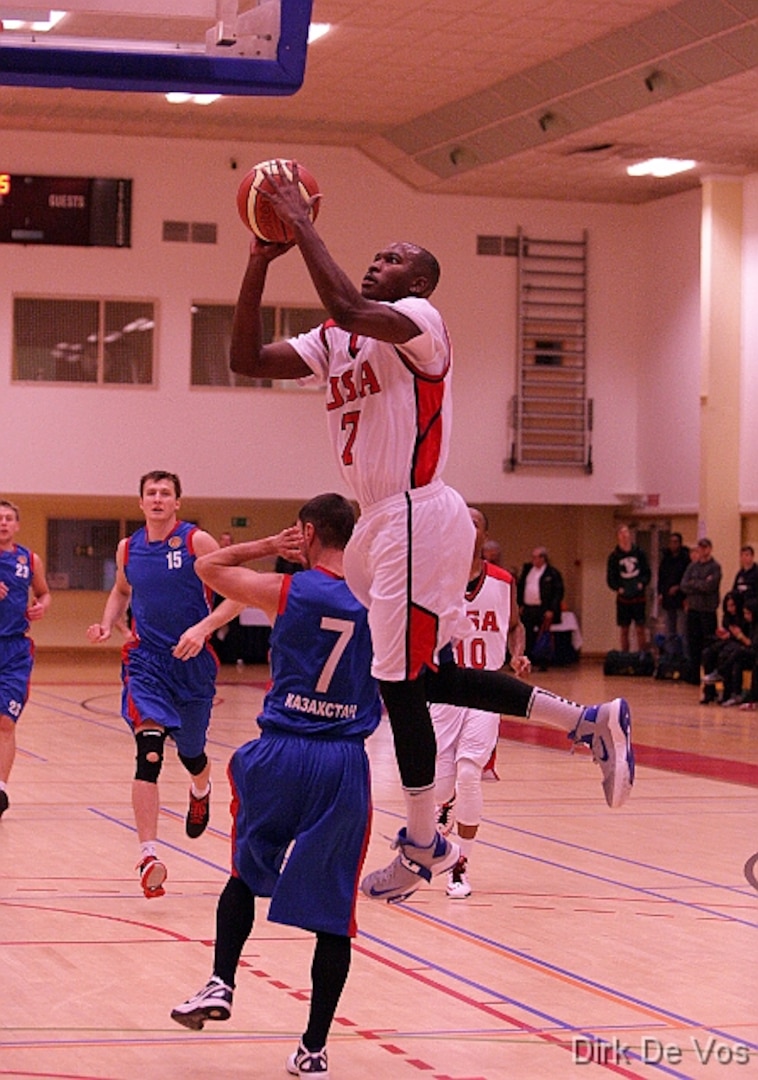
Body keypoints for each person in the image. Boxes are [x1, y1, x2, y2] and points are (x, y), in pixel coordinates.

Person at [228, 163, 635, 903]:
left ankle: (422, 844)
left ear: (419, 281)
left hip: (417, 511)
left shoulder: (420, 322)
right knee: (428, 677)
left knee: (396, 680)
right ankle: (589, 723)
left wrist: (303, 219)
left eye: (395, 258)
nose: (379, 261)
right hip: (382, 525)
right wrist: (259, 257)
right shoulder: (336, 338)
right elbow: (245, 360)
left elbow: (350, 305)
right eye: (377, 254)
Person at [170, 493, 380, 1079]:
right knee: (335, 914)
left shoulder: (291, 589)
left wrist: (269, 545)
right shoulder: (379, 598)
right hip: (343, 761)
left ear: (307, 532)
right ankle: (313, 1048)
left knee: (244, 871)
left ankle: (221, 981)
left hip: (283, 751)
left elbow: (206, 568)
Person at [86, 471, 245, 899]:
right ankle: (148, 854)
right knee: (149, 751)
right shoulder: (129, 548)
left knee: (192, 752)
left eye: (165, 493)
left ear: (177, 502)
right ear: (140, 502)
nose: (157, 499)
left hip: (192, 665)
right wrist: (106, 622)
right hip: (146, 662)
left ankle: (201, 787)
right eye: (150, 493)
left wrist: (203, 629)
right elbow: (122, 591)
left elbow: (239, 594)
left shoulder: (198, 543)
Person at [432, 506, 530, 898]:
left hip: (485, 692)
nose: (467, 527)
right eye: (463, 521)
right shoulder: (436, 578)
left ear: (484, 534)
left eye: (475, 523)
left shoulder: (504, 581)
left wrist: (518, 653)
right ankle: (443, 806)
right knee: (440, 783)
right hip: (443, 690)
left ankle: (460, 866)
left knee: (470, 773)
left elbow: (515, 625)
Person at [0, 499, 52, 819]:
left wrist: (42, 605)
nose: (3, 523)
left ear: (17, 525)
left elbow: (44, 592)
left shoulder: (29, 559)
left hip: (15, 649)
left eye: (8, 518)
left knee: (6, 720)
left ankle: (0, 789)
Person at [680, 537, 722, 686]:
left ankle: (709, 673)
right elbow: (684, 585)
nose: (702, 551)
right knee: (693, 644)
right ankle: (693, 676)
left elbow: (709, 587)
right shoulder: (692, 566)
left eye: (705, 548)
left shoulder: (715, 567)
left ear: (710, 549)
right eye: (700, 548)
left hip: (708, 611)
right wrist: (700, 583)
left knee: (709, 644)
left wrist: (694, 583)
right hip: (693, 610)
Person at [516, 545, 564, 667]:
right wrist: (520, 604)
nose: (534, 560)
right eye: (533, 557)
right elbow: (520, 588)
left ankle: (543, 662)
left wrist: (551, 609)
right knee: (526, 634)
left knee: (542, 634)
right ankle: (526, 660)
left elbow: (558, 592)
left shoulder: (552, 573)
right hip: (528, 608)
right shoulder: (527, 570)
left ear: (543, 558)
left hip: (543, 609)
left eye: (537, 557)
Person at [606, 524, 651, 652]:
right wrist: (618, 588)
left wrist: (642, 583)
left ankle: (642, 656)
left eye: (626, 533)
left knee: (640, 628)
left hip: (638, 597)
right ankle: (625, 657)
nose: (625, 536)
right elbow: (610, 578)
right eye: (622, 534)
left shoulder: (639, 553)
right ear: (618, 537)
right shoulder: (614, 557)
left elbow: (647, 572)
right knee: (624, 629)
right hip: (623, 598)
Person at [656, 532, 690, 651]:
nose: (673, 544)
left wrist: (679, 588)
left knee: (682, 631)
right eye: (671, 542)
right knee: (669, 631)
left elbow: (688, 579)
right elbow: (661, 578)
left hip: (681, 599)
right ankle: (671, 656)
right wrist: (660, 593)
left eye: (675, 542)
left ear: (680, 543)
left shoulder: (686, 559)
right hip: (668, 599)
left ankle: (684, 657)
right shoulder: (665, 559)